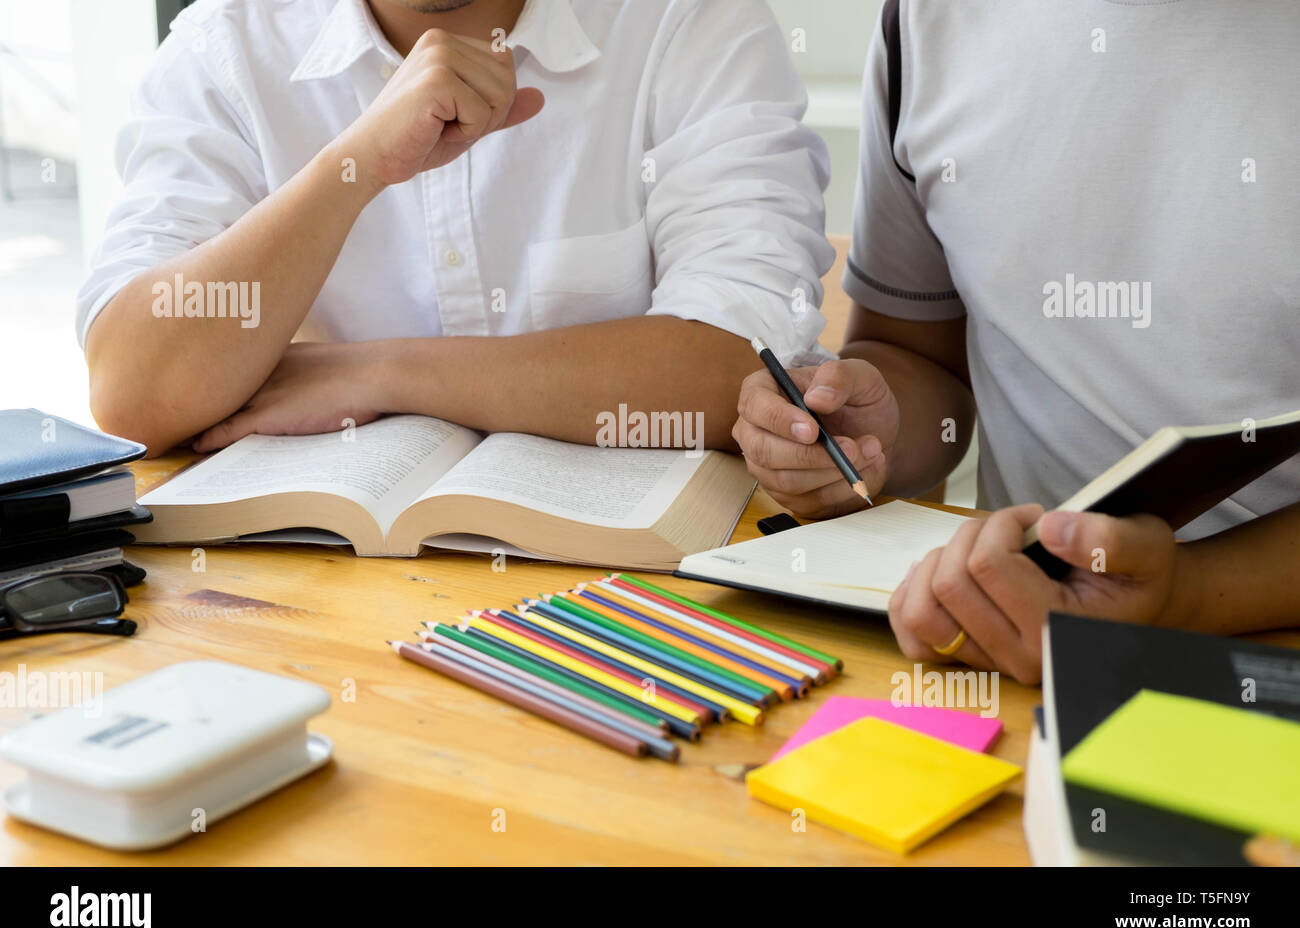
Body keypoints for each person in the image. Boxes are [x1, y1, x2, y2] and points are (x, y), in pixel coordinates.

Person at [732, 0, 1300, 683]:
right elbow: (915, 354)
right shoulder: (924, 21)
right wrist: (871, 436)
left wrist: (1182, 595)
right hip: (1000, 652)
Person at [79, 0, 834, 457]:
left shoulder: (684, 22)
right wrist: (354, 166)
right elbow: (136, 393)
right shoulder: (228, 46)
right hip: (323, 590)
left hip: (640, 594)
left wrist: (380, 373)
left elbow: (742, 367)